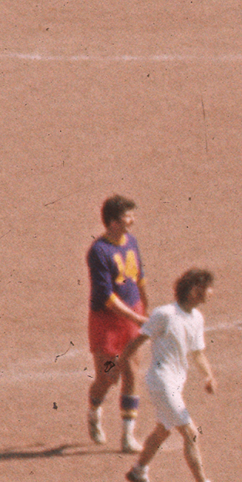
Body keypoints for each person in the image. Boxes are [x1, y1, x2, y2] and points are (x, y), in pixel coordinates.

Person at [126, 267, 228, 482]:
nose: (211, 292)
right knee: (190, 433)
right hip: (161, 381)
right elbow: (137, 342)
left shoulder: (197, 318)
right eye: (207, 288)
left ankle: (137, 471)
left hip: (175, 383)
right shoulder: (165, 314)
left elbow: (198, 353)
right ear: (194, 290)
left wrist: (208, 377)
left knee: (162, 431)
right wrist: (115, 370)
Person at [85, 193, 150, 452]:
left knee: (132, 371)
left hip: (132, 314)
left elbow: (139, 278)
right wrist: (135, 317)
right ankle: (93, 411)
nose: (132, 221)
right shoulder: (99, 251)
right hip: (108, 321)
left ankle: (127, 436)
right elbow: (106, 296)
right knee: (109, 376)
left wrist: (146, 307)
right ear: (112, 222)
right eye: (127, 217)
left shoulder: (131, 242)